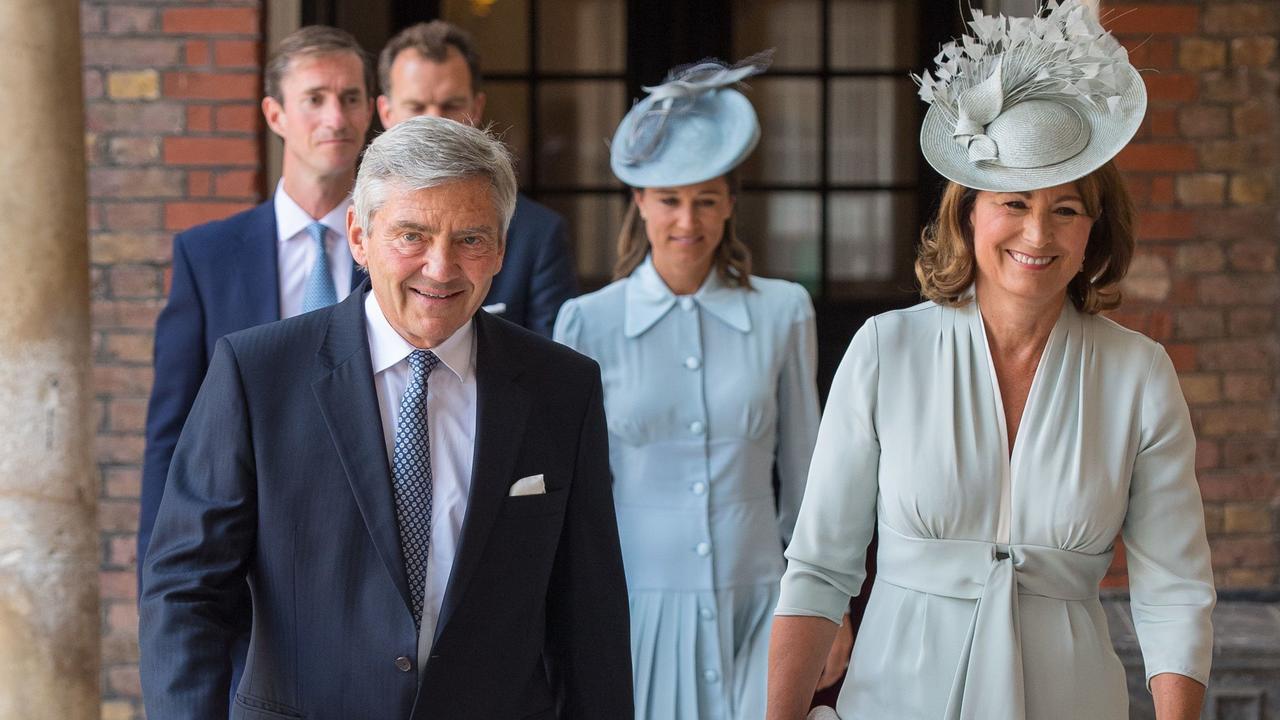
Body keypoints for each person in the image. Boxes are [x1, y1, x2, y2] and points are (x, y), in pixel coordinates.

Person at [767, 3, 1216, 719]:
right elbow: (820, 567)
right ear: (968, 211)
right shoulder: (888, 349)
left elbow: (1175, 590)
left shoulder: (1140, 375)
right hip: (897, 699)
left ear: (1093, 231)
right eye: (1014, 202)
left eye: (1067, 209)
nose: (1038, 233)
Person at [139, 116, 633, 719]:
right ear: (358, 235)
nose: (441, 267)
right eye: (412, 235)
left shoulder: (563, 388)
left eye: (471, 239)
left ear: (501, 248)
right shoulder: (257, 373)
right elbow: (185, 591)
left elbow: (590, 615)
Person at [554, 55, 830, 720]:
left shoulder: (783, 310)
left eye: (707, 199)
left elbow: (808, 476)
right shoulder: (588, 322)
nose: (688, 220)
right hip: (633, 614)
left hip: (764, 609)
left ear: (731, 204)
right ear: (641, 202)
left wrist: (826, 607)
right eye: (671, 200)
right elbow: (569, 501)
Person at [138, 25, 374, 569]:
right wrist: (158, 580)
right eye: (314, 99)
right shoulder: (208, 256)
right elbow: (171, 434)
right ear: (275, 115)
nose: (335, 118)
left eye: (350, 98)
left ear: (369, 112)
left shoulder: (400, 253)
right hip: (246, 554)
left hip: (373, 551)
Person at [378, 20, 577, 338]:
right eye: (416, 106)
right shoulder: (363, 224)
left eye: (451, 105)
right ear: (385, 112)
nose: (435, 121)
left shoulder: (537, 234)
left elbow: (551, 373)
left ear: (477, 107)